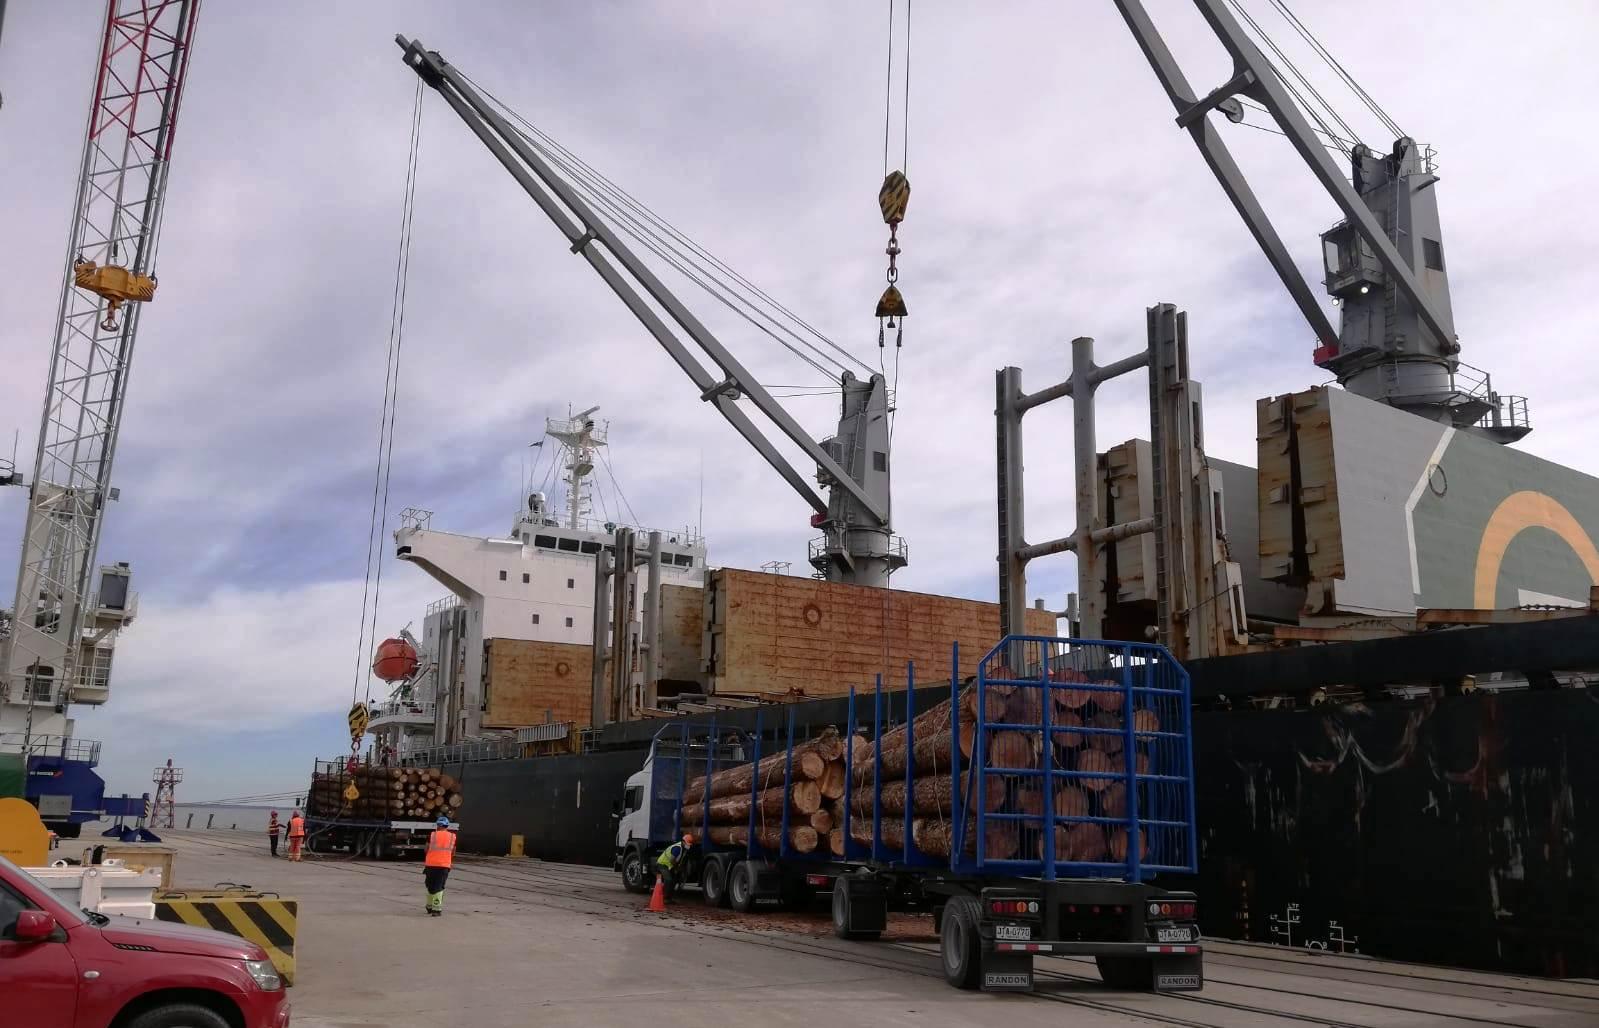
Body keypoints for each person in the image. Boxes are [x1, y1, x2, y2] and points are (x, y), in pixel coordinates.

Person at [424, 815, 456, 916]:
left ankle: (429, 907)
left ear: (438, 825)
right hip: (444, 866)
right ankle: (436, 910)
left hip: (431, 865)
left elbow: (426, 849)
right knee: (439, 886)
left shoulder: (432, 835)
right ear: (447, 826)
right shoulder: (452, 836)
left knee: (430, 885)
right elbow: (453, 852)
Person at [655, 832, 694, 899]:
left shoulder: (684, 849)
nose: (688, 846)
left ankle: (669, 897)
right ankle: (664, 897)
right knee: (669, 880)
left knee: (674, 880)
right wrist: (676, 867)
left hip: (668, 866)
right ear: (683, 842)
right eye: (687, 844)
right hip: (662, 864)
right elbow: (672, 860)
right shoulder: (677, 848)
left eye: (689, 845)